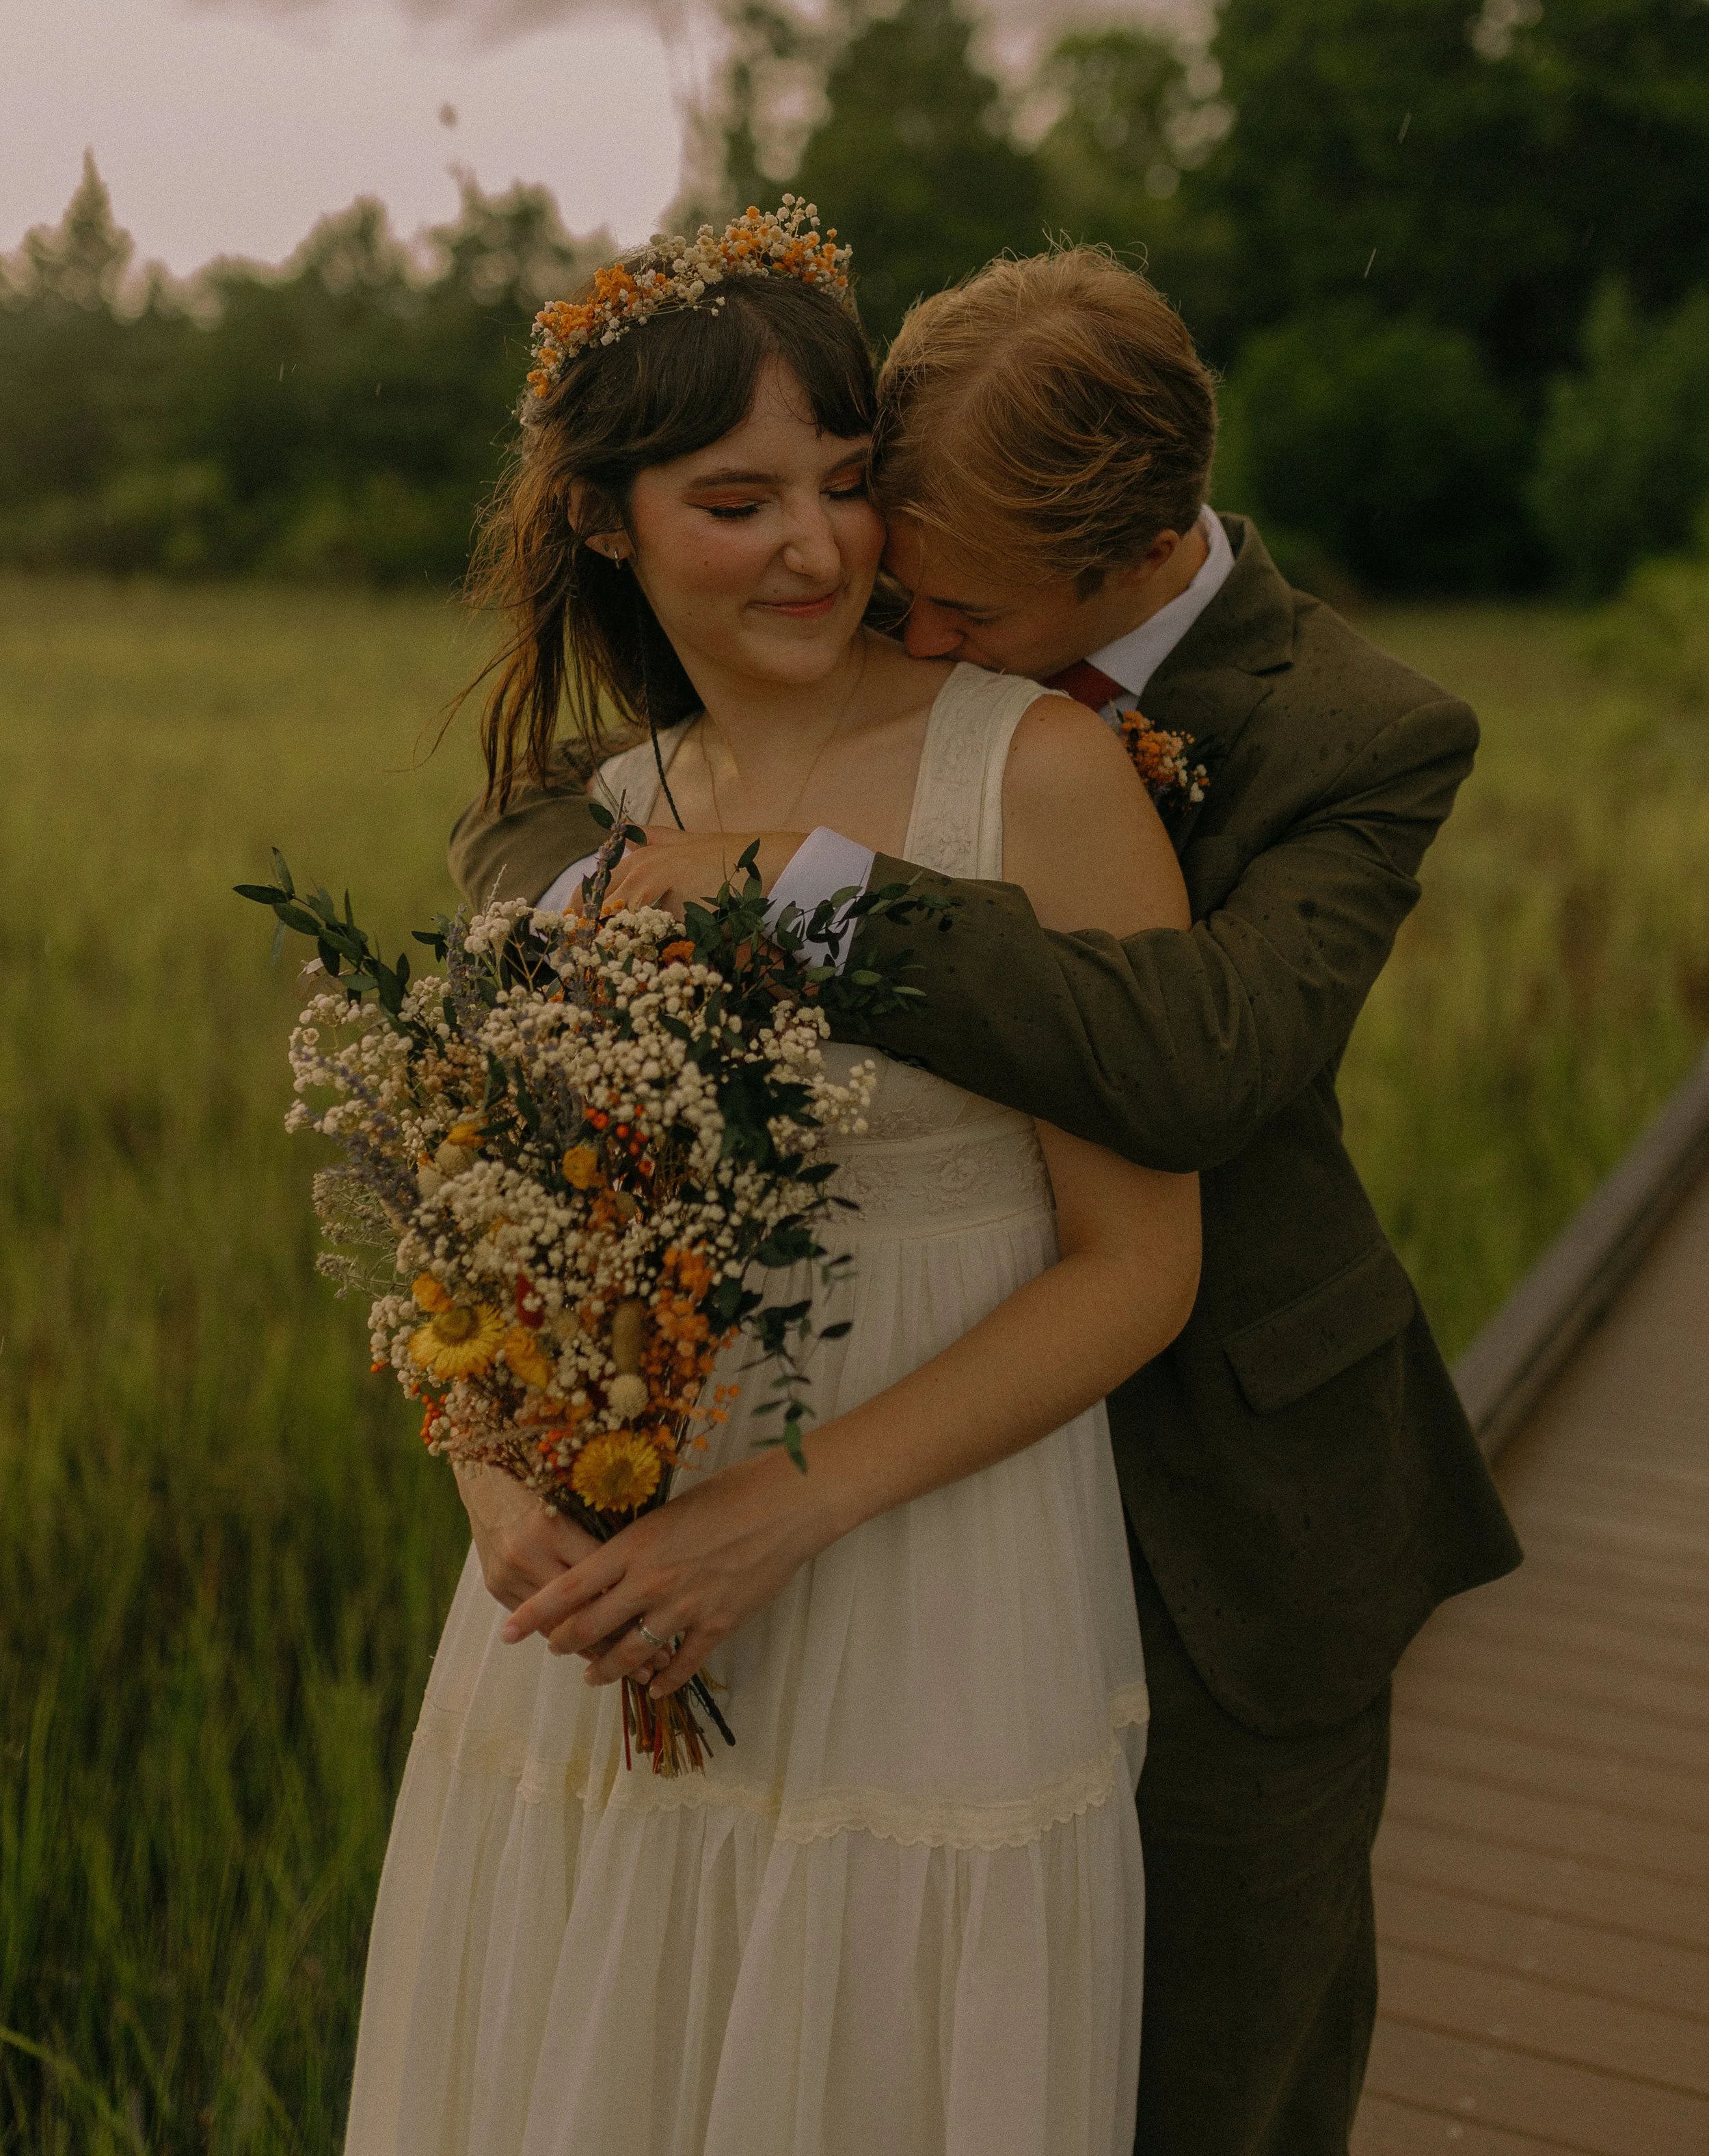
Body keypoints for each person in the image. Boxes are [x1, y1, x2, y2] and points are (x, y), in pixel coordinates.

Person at [454, 245, 1523, 2156]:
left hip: (1227, 1504)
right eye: (860, 511)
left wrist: (790, 880)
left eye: (948, 600)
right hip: (833, 1528)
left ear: (1118, 564)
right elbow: (542, 894)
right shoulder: (643, 778)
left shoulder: (1354, 730)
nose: (879, 604)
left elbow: (1197, 1065)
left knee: (1208, 2072)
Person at [345, 212, 1201, 2156]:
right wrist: (492, 1483)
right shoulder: (595, 824)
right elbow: (475, 1227)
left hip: (930, 1572)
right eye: (736, 499)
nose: (814, 547)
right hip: (603, 1603)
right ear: (605, 523)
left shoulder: (1038, 777)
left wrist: (779, 1513)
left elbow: (1141, 1260)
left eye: (842, 485)